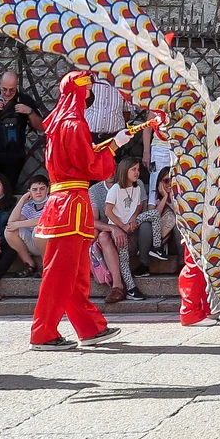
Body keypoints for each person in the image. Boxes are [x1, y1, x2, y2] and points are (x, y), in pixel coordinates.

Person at [31, 70, 130, 350]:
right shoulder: (75, 124)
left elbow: (79, 158)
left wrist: (110, 143)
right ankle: (43, 333)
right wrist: (113, 148)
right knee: (61, 274)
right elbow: (90, 166)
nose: (90, 94)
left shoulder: (60, 123)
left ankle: (89, 327)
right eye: (87, 89)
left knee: (73, 273)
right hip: (71, 204)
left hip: (66, 202)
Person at [93, 156, 148, 303]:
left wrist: (131, 221)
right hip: (113, 235)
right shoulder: (95, 190)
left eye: (113, 168)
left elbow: (140, 205)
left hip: (132, 230)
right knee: (102, 236)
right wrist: (113, 228)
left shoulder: (136, 184)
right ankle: (117, 286)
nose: (110, 172)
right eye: (106, 168)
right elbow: (93, 221)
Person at [0, 71, 42, 187]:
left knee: (6, 188)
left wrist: (29, 112)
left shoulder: (24, 100)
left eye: (11, 90)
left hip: (14, 154)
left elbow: (40, 127)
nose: (8, 93)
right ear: (0, 85)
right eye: (4, 89)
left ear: (17, 86)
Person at [8, 176, 51, 274]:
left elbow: (42, 220)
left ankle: (46, 264)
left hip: (50, 244)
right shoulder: (28, 205)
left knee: (38, 229)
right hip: (33, 244)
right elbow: (11, 222)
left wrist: (18, 224)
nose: (38, 192)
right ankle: (29, 264)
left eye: (42, 189)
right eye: (34, 189)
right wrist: (22, 199)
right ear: (29, 192)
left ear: (48, 189)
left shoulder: (51, 202)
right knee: (9, 231)